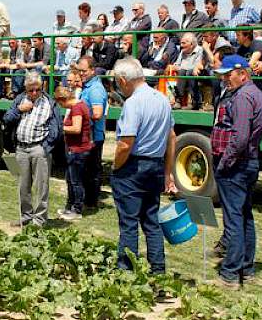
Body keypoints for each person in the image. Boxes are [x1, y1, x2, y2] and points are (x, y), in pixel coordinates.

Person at [110, 57, 176, 274]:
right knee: (151, 221)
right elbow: (171, 137)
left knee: (129, 223)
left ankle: (125, 271)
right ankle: (158, 271)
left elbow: (125, 143)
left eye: (117, 82)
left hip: (134, 167)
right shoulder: (162, 99)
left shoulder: (133, 103)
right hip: (155, 166)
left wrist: (115, 167)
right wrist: (168, 173)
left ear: (122, 80)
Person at [209, 55, 262, 289]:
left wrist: (225, 162)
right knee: (244, 216)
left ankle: (231, 272)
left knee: (234, 219)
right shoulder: (256, 94)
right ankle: (246, 267)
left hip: (237, 165)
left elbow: (240, 136)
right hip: (248, 162)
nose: (225, 80)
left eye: (228, 75)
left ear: (242, 73)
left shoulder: (243, 97)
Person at [2, 74, 62, 227]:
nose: (34, 93)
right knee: (23, 185)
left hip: (39, 148)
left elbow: (57, 128)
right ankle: (26, 216)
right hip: (21, 148)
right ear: (25, 89)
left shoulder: (50, 103)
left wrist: (45, 146)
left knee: (42, 186)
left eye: (37, 90)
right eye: (31, 90)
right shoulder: (20, 100)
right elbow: (7, 119)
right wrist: (19, 109)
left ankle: (40, 220)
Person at [54, 85, 93, 221]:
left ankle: (77, 209)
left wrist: (60, 128)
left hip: (78, 150)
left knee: (76, 181)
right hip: (74, 148)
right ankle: (70, 207)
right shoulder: (77, 106)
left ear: (62, 100)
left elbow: (76, 128)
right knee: (70, 179)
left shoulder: (77, 108)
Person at [76, 57, 108, 209]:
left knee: (91, 170)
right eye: (79, 71)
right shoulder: (88, 86)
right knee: (87, 170)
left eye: (84, 71)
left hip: (93, 137)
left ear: (92, 70)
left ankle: (90, 202)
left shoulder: (95, 89)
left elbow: (97, 113)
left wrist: (78, 114)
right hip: (88, 136)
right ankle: (88, 200)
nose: (81, 74)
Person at [173, 33, 205, 110]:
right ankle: (178, 100)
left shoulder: (200, 50)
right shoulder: (183, 51)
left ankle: (194, 102)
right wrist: (177, 67)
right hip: (184, 73)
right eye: (181, 43)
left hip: (197, 73)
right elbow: (176, 64)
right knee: (182, 72)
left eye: (183, 43)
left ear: (191, 44)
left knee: (188, 72)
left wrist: (181, 68)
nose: (181, 45)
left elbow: (197, 66)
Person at [234, 26, 262, 92]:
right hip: (248, 75)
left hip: (261, 76)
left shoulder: (258, 44)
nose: (236, 38)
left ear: (246, 36)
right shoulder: (241, 49)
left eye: (238, 35)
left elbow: (251, 64)